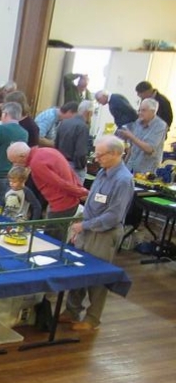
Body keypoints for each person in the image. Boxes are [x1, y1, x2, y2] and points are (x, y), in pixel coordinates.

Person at [61, 135, 134, 332]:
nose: (96, 158)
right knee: (78, 270)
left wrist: (86, 225)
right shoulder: (103, 171)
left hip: (104, 234)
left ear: (116, 154)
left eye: (101, 155)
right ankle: (72, 311)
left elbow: (114, 215)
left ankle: (92, 318)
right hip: (86, 229)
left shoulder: (123, 180)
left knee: (97, 276)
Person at [6, 141, 88, 242]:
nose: (14, 165)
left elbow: (59, 183)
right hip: (67, 202)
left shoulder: (36, 163)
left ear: (22, 156)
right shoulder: (47, 150)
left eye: (14, 162)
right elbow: (70, 172)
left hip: (61, 205)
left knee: (51, 240)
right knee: (56, 236)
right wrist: (80, 189)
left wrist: (82, 192)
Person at [117, 98, 168, 175]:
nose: (140, 113)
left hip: (146, 171)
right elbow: (132, 147)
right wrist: (124, 165)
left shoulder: (160, 125)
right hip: (131, 166)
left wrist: (131, 136)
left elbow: (149, 149)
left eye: (143, 110)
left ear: (153, 111)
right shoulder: (138, 122)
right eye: (139, 110)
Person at [55, 99, 93, 181]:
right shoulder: (83, 127)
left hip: (60, 163)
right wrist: (82, 166)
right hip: (74, 166)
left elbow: (56, 144)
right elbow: (80, 152)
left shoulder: (63, 123)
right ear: (89, 113)